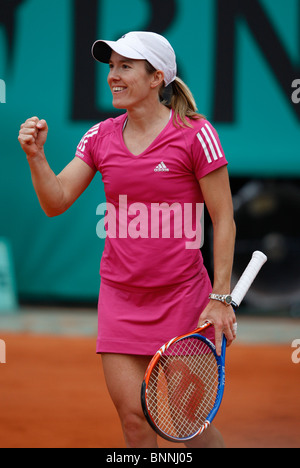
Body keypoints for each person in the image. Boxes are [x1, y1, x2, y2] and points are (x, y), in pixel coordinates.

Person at [18, 31, 236, 448]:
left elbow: (223, 218)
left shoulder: (195, 134)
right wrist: (37, 157)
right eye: (111, 67)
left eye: (125, 67)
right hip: (121, 298)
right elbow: (56, 200)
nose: (112, 76)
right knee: (135, 422)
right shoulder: (100, 136)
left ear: (156, 79)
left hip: (184, 300)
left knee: (189, 429)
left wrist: (220, 296)